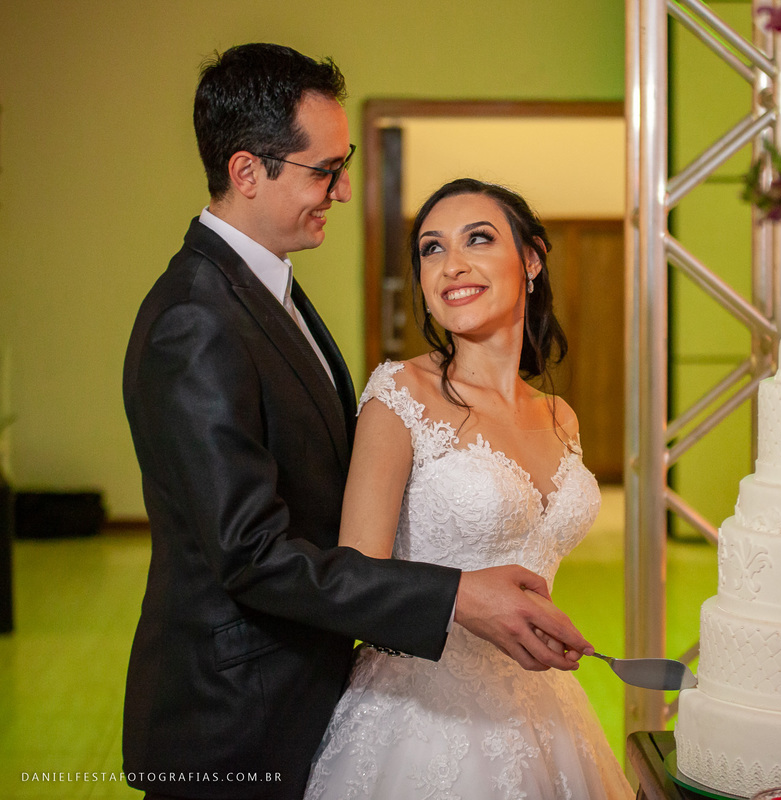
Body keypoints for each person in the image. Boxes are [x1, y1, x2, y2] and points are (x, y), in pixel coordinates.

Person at [122, 45, 591, 800]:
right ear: (247, 171)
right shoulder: (196, 318)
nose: (342, 191)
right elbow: (250, 554)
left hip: (328, 685)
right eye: (326, 170)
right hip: (236, 716)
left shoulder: (265, 292)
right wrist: (457, 596)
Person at [302, 178, 633, 799]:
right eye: (432, 249)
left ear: (531, 259)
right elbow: (354, 580)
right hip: (421, 720)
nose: (451, 264)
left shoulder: (561, 417)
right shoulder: (399, 396)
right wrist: (461, 601)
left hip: (544, 711)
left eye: (477, 239)